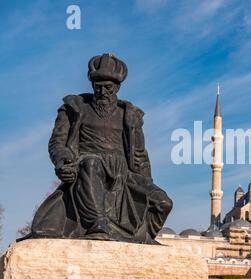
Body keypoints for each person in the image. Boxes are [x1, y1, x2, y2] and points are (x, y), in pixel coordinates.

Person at [30, 53, 172, 244]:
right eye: (99, 87)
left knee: (163, 203)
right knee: (91, 163)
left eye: (109, 88)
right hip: (88, 166)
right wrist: (63, 161)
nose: (103, 92)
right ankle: (97, 226)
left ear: (118, 88)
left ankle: (140, 238)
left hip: (124, 173)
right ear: (92, 86)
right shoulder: (73, 109)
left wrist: (145, 183)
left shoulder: (130, 115)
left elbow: (139, 154)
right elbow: (57, 143)